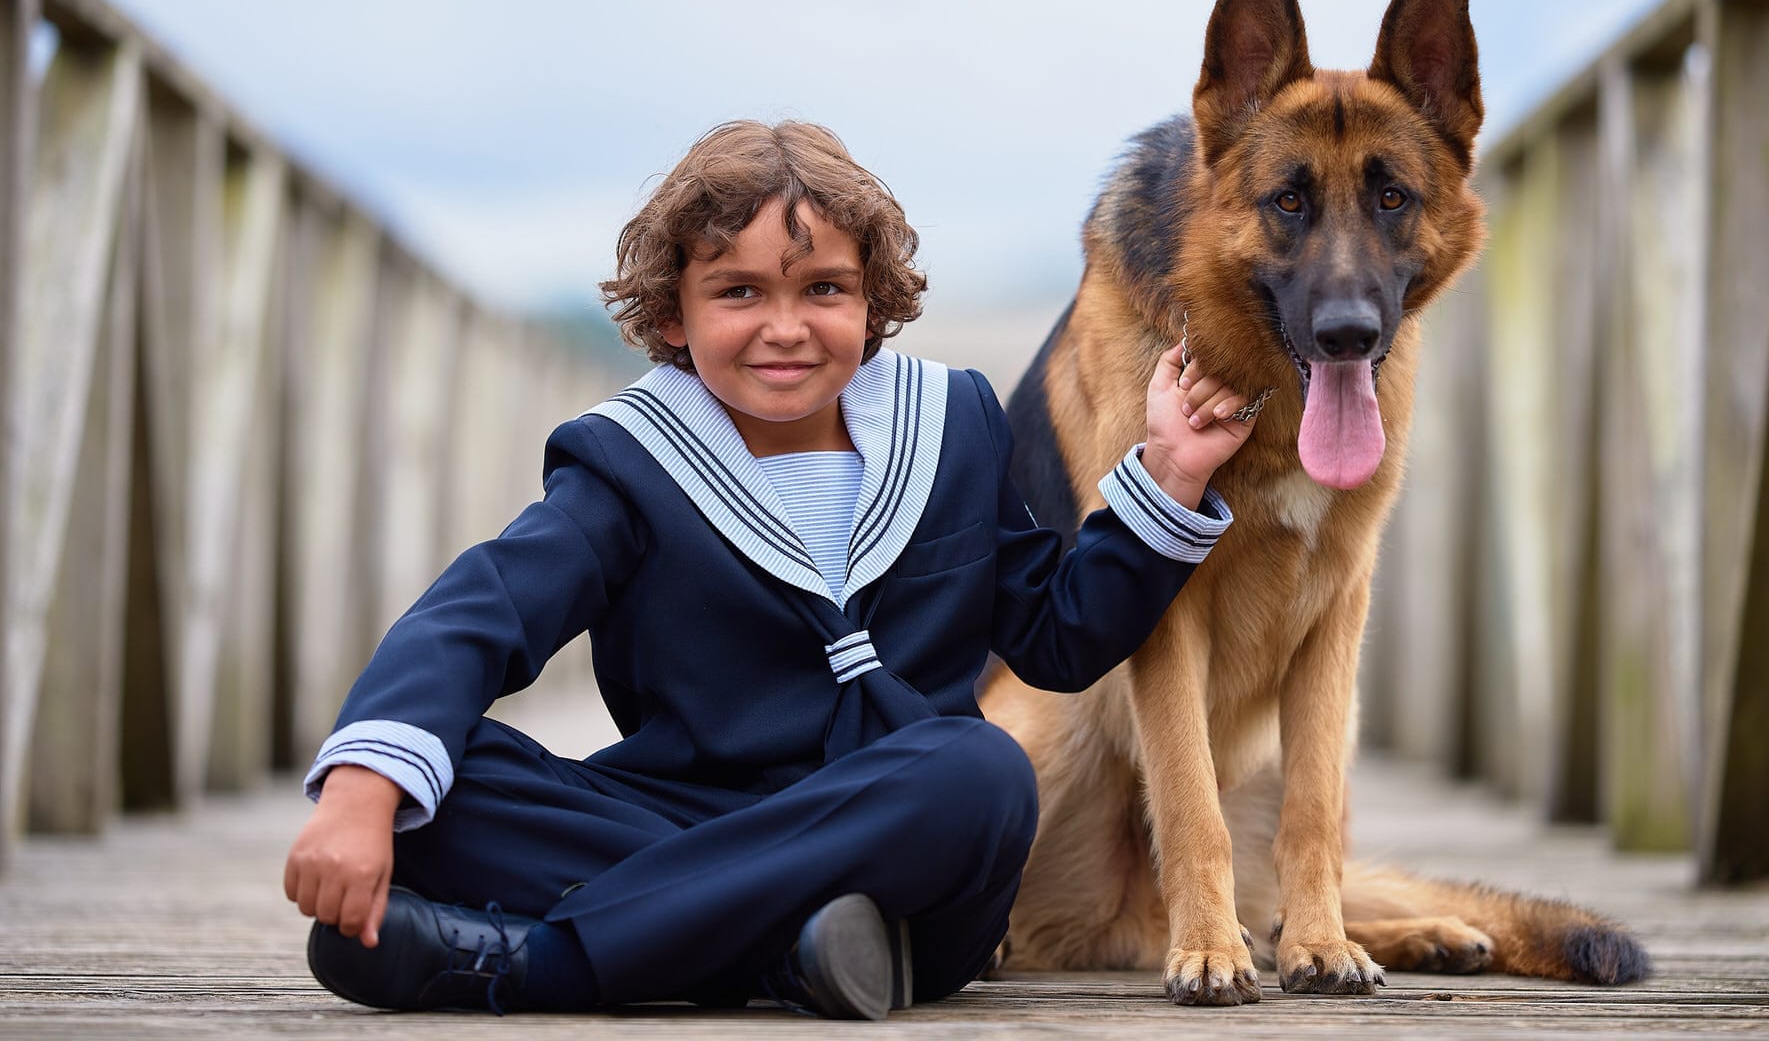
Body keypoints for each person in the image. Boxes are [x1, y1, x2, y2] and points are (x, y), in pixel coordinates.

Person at [282, 119, 1258, 1017]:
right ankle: (787, 954)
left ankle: (544, 962)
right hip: (689, 812)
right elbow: (482, 611)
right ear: (672, 314)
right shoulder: (626, 463)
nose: (784, 326)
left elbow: (1060, 637)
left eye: (822, 289)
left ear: (872, 301)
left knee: (982, 770)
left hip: (902, 847)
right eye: (738, 291)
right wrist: (365, 789)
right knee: (442, 784)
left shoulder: (953, 427)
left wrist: (1166, 477)